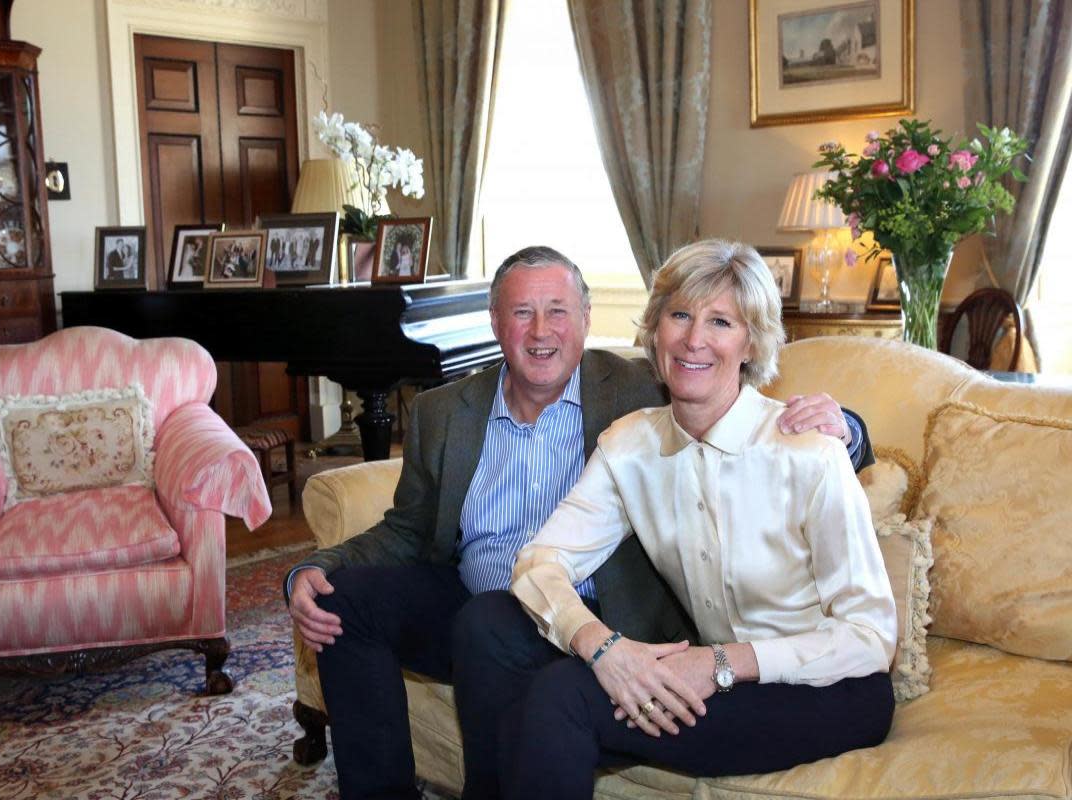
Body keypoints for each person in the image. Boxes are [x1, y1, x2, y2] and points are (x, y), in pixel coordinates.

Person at [286, 245, 873, 800]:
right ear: (495, 322)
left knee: (530, 671)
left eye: (558, 311)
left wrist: (845, 428)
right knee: (413, 610)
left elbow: (758, 414)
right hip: (508, 608)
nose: (541, 331)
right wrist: (319, 565)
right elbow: (439, 536)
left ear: (587, 321)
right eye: (522, 312)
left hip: (784, 668)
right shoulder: (621, 437)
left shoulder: (644, 394)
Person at [500, 240, 896, 798]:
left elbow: (871, 636)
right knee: (548, 685)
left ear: (750, 342)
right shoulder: (629, 445)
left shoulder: (810, 453)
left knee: (561, 700)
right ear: (654, 330)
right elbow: (539, 563)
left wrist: (719, 665)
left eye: (721, 322)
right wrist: (601, 646)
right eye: (679, 316)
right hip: (712, 681)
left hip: (828, 687)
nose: (693, 340)